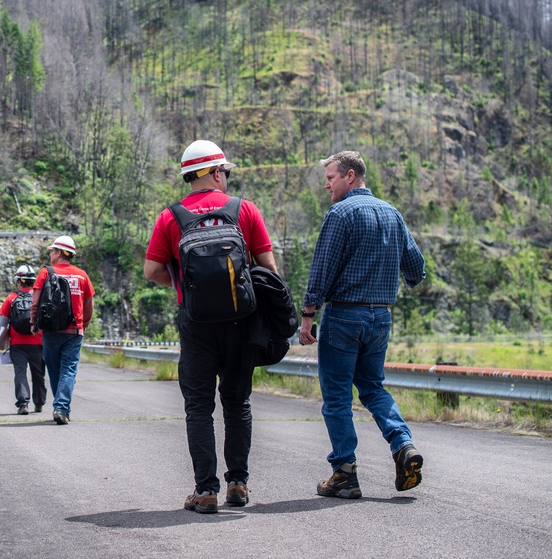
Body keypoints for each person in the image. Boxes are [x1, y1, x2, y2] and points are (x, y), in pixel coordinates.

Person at [144, 140, 278, 512]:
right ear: (216, 173)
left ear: (190, 176)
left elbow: (151, 270)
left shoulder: (170, 217)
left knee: (199, 407)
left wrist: (183, 284)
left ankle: (205, 490)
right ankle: (238, 483)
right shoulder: (243, 210)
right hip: (240, 323)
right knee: (237, 402)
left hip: (197, 324)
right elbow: (268, 268)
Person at [298, 151, 426, 499]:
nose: (326, 184)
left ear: (350, 176)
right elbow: (416, 269)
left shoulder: (340, 213)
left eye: (331, 177)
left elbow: (322, 268)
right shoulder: (393, 213)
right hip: (381, 316)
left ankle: (344, 473)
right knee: (372, 387)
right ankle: (403, 444)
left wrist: (308, 313)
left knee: (337, 396)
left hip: (344, 317)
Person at [29, 235, 95, 425]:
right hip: (74, 331)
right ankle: (61, 408)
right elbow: (89, 301)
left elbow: (36, 301)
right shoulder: (82, 275)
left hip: (50, 330)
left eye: (52, 250)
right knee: (69, 370)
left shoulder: (46, 273)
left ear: (59, 252)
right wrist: (85, 322)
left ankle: (60, 406)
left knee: (55, 370)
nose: (50, 253)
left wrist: (34, 323)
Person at [0, 265, 47, 414]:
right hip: (38, 342)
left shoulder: (12, 298)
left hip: (17, 344)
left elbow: (2, 323)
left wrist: (0, 342)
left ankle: (23, 404)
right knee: (39, 374)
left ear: (19, 281)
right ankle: (39, 403)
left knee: (20, 373)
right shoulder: (40, 296)